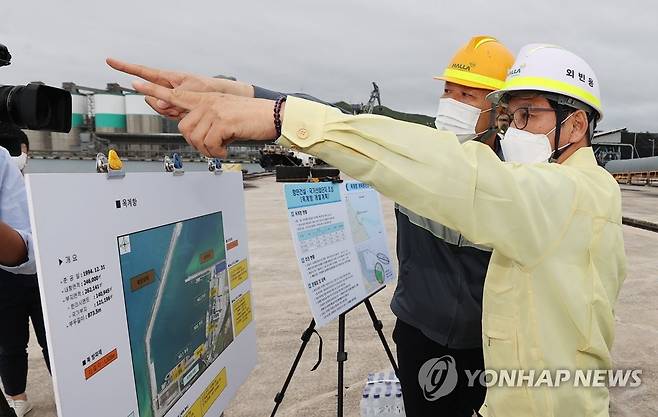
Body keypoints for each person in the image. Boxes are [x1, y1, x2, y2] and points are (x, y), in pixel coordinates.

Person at [111, 42, 626, 416]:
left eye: (527, 116)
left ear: (576, 126)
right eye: (510, 115)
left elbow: (457, 177)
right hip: (464, 361)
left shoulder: (568, 196)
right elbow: (385, 137)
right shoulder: (537, 183)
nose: (513, 128)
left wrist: (279, 116)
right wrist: (242, 93)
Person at [0, 125, 38, 417]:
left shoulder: (30, 184)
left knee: (51, 337)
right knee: (11, 341)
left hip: (34, 270)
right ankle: (16, 395)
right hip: (6, 276)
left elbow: (25, 248)